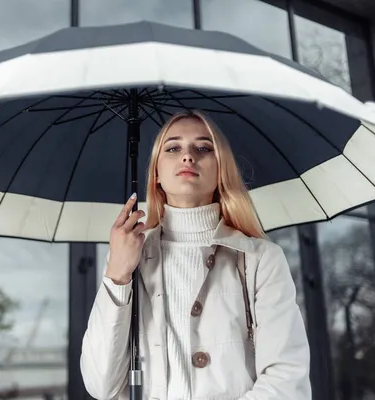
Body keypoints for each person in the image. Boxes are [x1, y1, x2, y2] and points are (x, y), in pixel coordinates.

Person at [80, 110, 311, 399]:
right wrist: (117, 275)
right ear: (156, 174)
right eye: (173, 148)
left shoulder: (260, 259)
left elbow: (286, 380)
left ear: (221, 170)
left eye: (203, 148)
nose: (188, 156)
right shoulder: (129, 258)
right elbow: (102, 386)